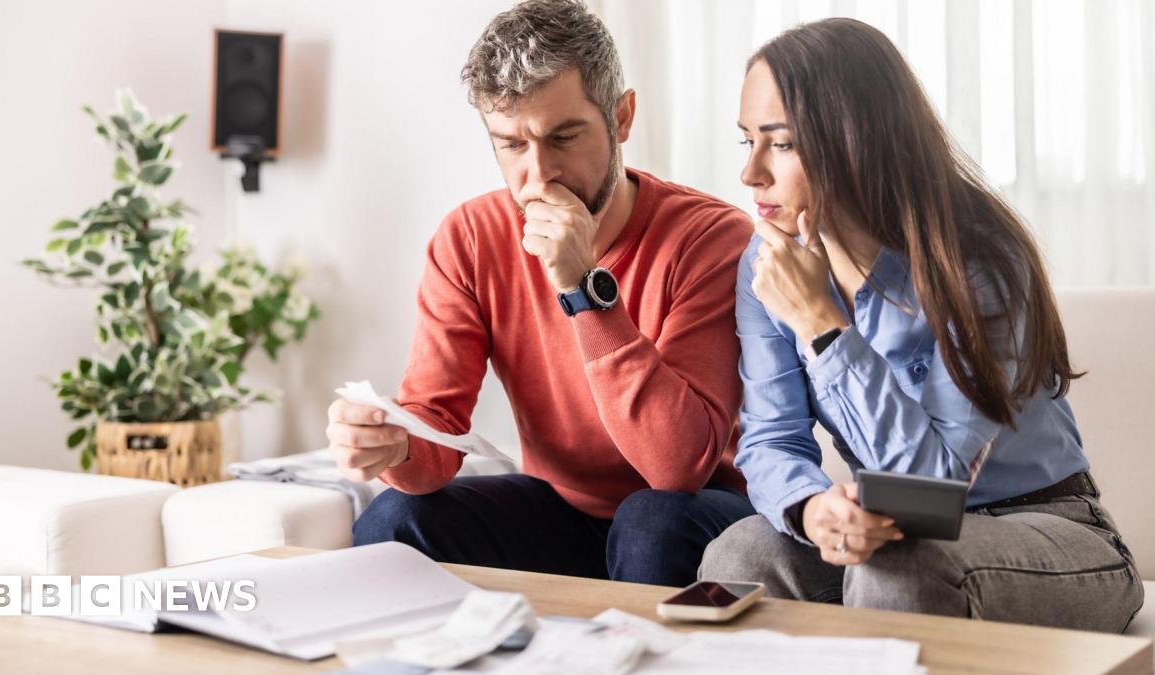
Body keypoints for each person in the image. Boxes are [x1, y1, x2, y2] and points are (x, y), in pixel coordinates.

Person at [698, 18, 1144, 631]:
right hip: (896, 529)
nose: (750, 173)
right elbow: (771, 439)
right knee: (738, 555)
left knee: (902, 571)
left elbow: (934, 484)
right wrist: (811, 510)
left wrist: (824, 327)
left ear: (851, 139)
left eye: (781, 143)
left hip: (1050, 530)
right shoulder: (767, 261)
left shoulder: (980, 259)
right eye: (745, 139)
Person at [325, 0, 755, 586]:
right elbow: (439, 432)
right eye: (510, 145)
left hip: (697, 511)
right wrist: (395, 445)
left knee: (650, 521)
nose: (538, 175)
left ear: (622, 117)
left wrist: (584, 289)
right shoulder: (469, 238)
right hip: (561, 512)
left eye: (564, 137)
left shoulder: (711, 238)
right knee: (394, 520)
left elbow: (676, 467)